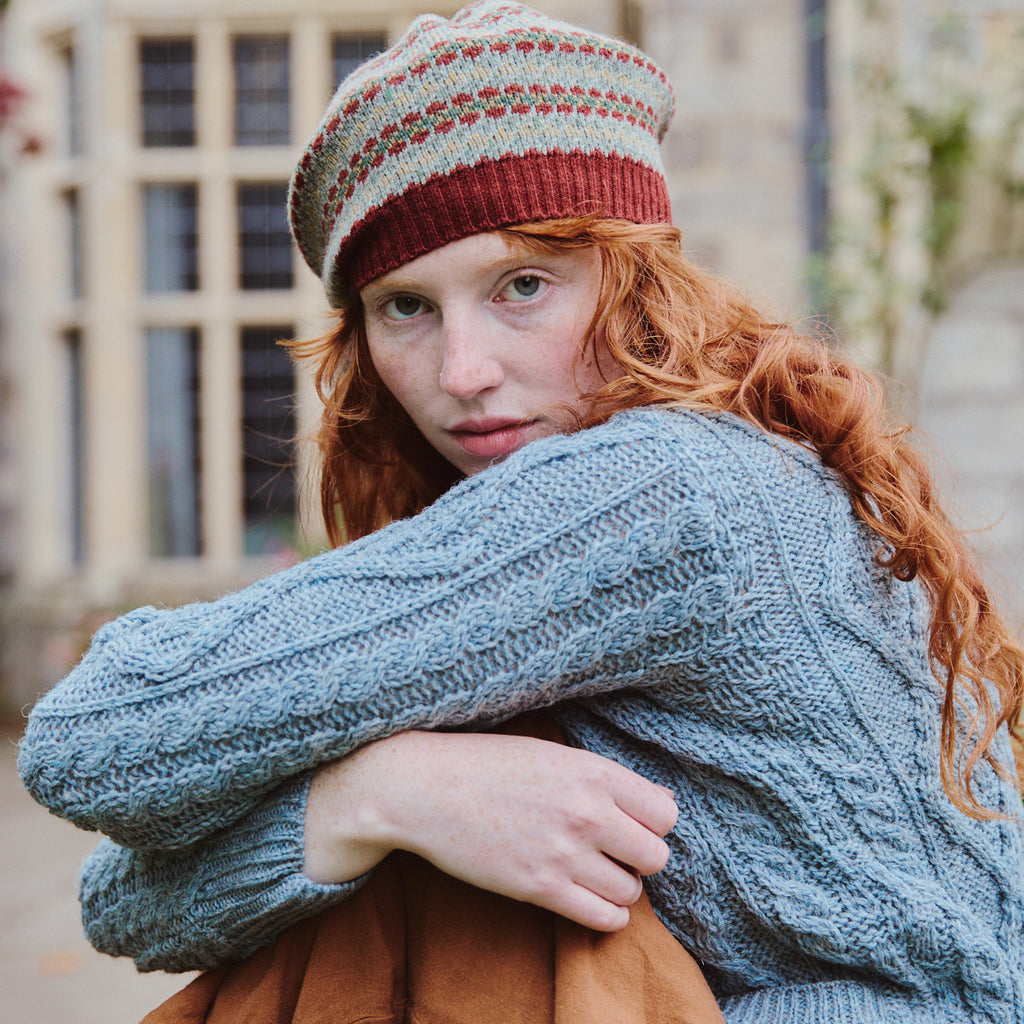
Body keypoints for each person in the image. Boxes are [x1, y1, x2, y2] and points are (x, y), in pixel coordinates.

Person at [18, 2, 1024, 1021]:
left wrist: (387, 793)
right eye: (405, 306)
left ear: (634, 281)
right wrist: (380, 799)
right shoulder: (617, 498)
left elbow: (92, 734)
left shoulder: (659, 492)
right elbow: (123, 902)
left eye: (522, 284)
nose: (462, 372)